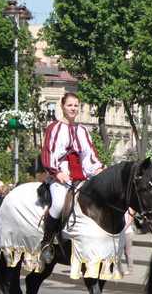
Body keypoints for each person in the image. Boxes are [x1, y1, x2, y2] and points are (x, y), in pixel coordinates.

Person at [40, 92, 106, 263]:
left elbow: (89, 155)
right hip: (61, 176)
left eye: (76, 105)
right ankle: (47, 242)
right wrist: (57, 173)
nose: (73, 108)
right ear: (62, 106)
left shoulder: (83, 130)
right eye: (70, 105)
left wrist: (98, 169)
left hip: (81, 176)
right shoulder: (54, 128)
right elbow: (48, 154)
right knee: (59, 204)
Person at [123, 208, 135, 275]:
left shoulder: (129, 209)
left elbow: (130, 220)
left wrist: (124, 228)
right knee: (123, 251)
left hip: (127, 232)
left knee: (128, 251)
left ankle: (130, 269)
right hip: (121, 232)